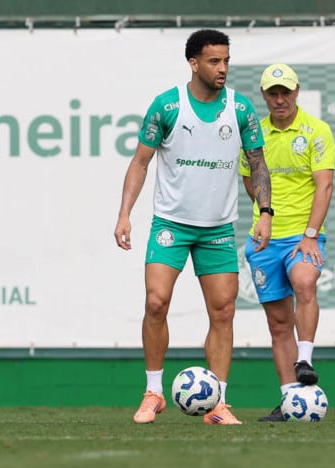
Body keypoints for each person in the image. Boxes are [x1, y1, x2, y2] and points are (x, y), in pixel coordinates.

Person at [113, 29, 272, 425]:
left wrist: (265, 212)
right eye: (215, 61)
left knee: (223, 311)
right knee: (155, 302)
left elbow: (257, 163)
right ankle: (153, 392)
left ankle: (218, 404)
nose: (223, 68)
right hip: (172, 223)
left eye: (226, 61)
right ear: (194, 63)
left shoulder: (240, 110)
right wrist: (124, 213)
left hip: (217, 228)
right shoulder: (167, 106)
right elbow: (140, 162)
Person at [239, 63, 335, 422]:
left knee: (305, 281)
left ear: (297, 91)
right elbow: (250, 183)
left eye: (285, 92)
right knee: (278, 325)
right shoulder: (254, 134)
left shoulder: (316, 130)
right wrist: (265, 214)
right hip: (264, 239)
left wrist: (311, 233)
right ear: (264, 95)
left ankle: (305, 359)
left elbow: (324, 185)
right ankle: (289, 401)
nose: (279, 99)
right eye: (272, 93)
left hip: (302, 235)